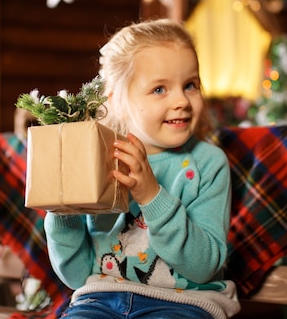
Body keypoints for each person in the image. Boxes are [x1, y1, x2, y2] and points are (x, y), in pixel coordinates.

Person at [44, 19, 240, 319]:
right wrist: (61, 211)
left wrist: (151, 195)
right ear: (117, 101)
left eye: (190, 85)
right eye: (160, 89)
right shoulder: (98, 161)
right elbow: (76, 274)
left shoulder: (207, 163)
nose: (181, 101)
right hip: (99, 302)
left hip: (184, 304)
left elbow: (204, 266)